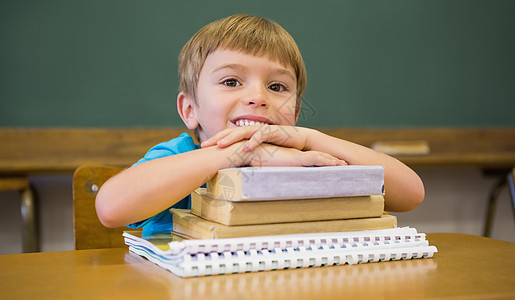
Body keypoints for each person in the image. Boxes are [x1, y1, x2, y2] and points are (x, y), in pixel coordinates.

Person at [95, 14, 424, 235]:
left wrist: (309, 138)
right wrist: (238, 153)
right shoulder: (180, 155)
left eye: (277, 87)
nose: (257, 97)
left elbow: (410, 194)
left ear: (294, 115)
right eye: (231, 81)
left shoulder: (302, 160)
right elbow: (111, 208)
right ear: (190, 108)